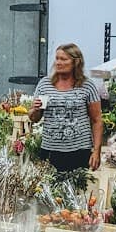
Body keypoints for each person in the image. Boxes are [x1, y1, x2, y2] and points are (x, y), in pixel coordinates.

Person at [28, 43, 103, 174]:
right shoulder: (45, 84)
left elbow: (97, 120)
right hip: (51, 150)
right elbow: (34, 118)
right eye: (57, 58)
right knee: (49, 190)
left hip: (79, 151)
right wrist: (35, 109)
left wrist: (96, 151)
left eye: (63, 59)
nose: (58, 62)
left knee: (77, 192)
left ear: (76, 62)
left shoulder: (86, 86)